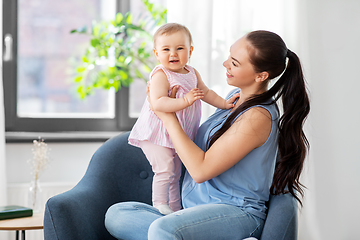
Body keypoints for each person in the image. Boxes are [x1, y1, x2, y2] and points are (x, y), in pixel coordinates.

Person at [106, 30, 310, 239]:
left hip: (236, 213)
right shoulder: (233, 98)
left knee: (162, 230)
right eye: (229, 56)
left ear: (261, 76)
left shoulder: (258, 116)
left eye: (235, 62)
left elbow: (200, 170)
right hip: (192, 210)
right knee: (118, 215)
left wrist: (167, 116)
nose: (225, 64)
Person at [128, 23, 238, 215]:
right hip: (156, 133)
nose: (173, 54)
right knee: (165, 168)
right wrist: (186, 100)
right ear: (156, 53)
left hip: (178, 135)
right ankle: (160, 203)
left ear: (190, 50)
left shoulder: (192, 73)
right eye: (166, 49)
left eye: (180, 48)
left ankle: (175, 209)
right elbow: (159, 103)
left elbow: (206, 92)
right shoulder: (161, 75)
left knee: (176, 173)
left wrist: (224, 103)